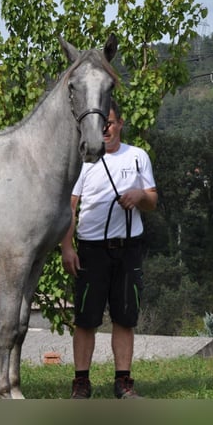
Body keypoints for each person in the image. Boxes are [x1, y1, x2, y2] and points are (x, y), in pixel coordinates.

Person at [60, 99, 158, 399]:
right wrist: (67, 247)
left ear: (120, 124)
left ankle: (124, 382)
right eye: (101, 123)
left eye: (111, 122)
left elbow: (152, 201)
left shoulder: (138, 157)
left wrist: (139, 194)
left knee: (125, 318)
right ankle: (81, 382)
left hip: (128, 249)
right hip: (91, 250)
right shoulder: (85, 160)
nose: (106, 128)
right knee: (86, 319)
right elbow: (70, 208)